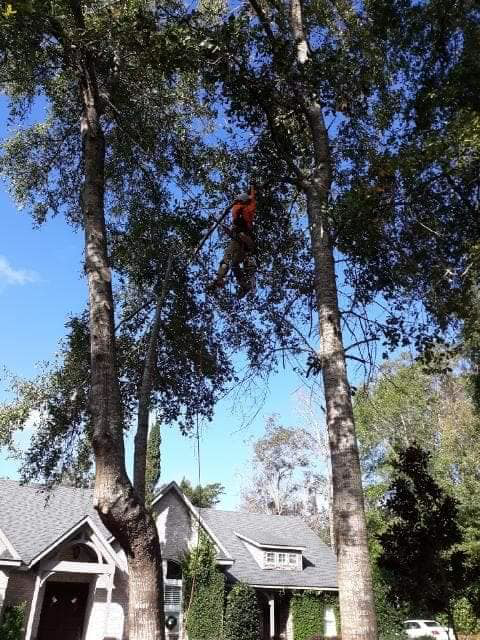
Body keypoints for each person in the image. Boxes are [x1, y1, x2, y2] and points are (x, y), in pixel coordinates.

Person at [210, 185, 257, 297]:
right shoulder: (250, 208)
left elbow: (237, 204)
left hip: (240, 238)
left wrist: (242, 197)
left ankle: (220, 278)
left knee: (227, 257)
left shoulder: (238, 207)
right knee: (235, 264)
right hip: (247, 243)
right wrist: (252, 189)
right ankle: (244, 285)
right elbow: (252, 199)